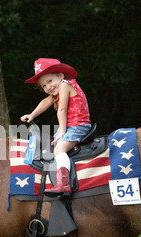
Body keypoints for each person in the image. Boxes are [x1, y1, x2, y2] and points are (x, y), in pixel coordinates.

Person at [21, 58, 91, 196]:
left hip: (78, 126)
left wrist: (62, 132)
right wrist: (32, 115)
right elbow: (46, 101)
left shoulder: (65, 85)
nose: (48, 87)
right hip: (70, 126)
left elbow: (62, 110)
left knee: (59, 149)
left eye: (50, 81)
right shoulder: (59, 89)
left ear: (60, 76)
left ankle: (63, 184)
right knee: (52, 147)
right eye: (44, 86)